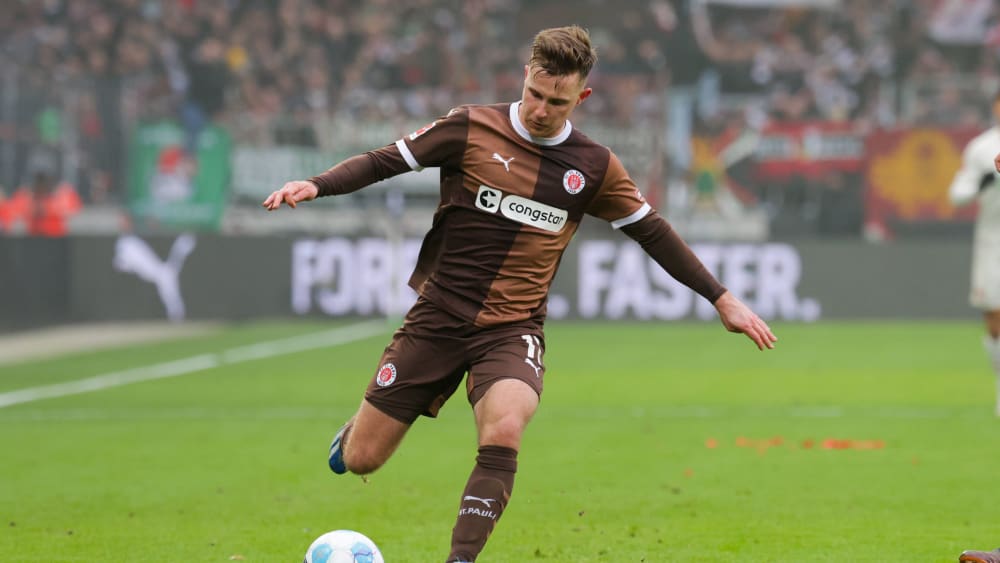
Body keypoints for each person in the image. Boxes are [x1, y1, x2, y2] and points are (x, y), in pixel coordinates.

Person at [263, 25, 777, 563]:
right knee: (363, 459)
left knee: (506, 426)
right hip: (437, 318)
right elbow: (385, 160)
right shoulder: (469, 126)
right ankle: (352, 435)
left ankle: (460, 559)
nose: (541, 110)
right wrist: (317, 184)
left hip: (511, 330)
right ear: (525, 76)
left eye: (558, 102)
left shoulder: (594, 167)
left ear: (582, 97)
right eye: (535, 94)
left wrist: (720, 297)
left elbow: (652, 231)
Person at [949, 89, 1000, 417]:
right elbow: (957, 193)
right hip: (993, 240)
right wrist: (980, 184)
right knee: (994, 318)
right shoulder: (981, 148)